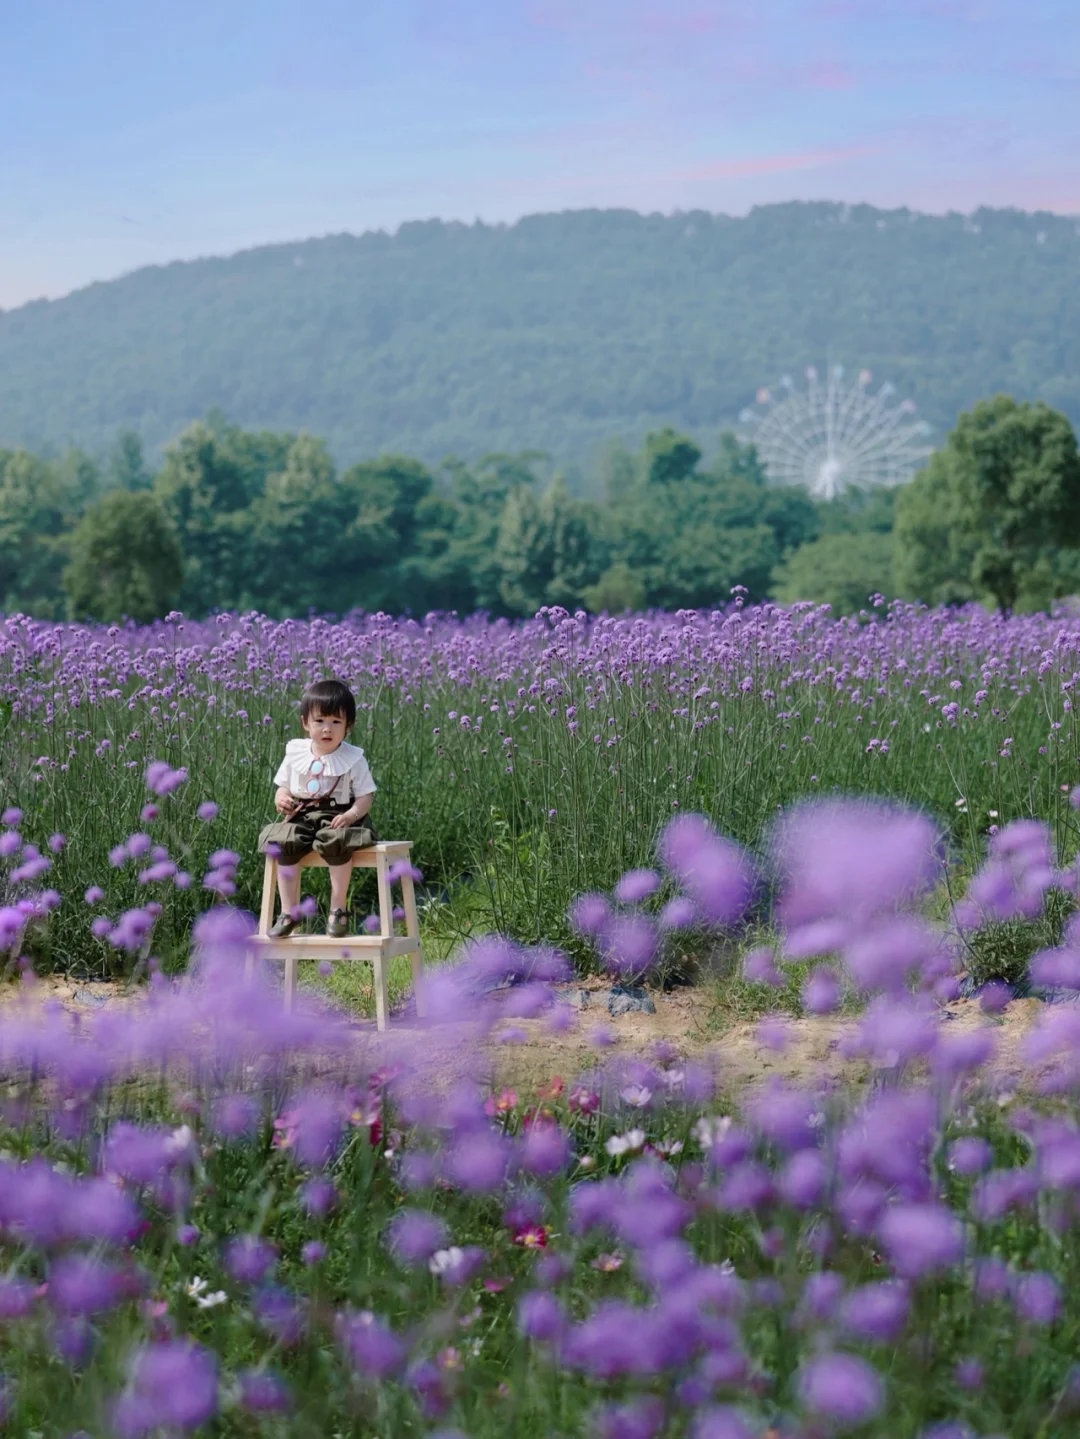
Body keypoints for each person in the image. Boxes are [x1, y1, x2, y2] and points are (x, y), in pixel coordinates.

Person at [258, 678, 376, 938]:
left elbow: (366, 796)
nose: (327, 729)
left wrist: (351, 815)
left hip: (338, 815)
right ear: (305, 723)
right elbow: (283, 786)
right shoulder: (295, 753)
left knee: (336, 840)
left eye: (336, 722)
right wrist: (282, 799)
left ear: (348, 726)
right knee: (283, 840)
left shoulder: (354, 759)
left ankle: (338, 909)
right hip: (301, 814)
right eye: (319, 721)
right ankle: (288, 912)